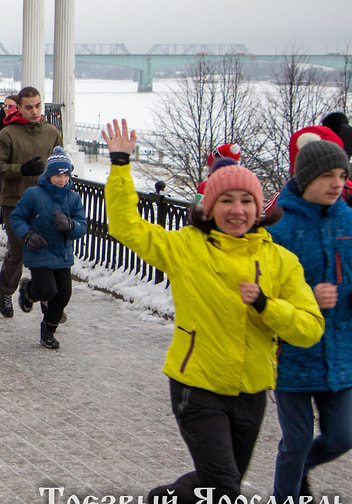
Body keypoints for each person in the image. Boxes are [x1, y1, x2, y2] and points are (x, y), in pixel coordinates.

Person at [101, 119, 324, 502]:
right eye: (226, 201)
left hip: (251, 389)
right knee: (223, 487)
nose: (236, 210)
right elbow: (126, 227)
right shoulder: (186, 248)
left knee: (220, 483)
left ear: (259, 208)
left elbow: (309, 328)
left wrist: (266, 306)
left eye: (246, 201)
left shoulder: (280, 261)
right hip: (197, 383)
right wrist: (121, 164)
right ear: (210, 206)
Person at [266, 140, 352, 498]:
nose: (337, 183)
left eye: (343, 175)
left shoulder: (347, 220)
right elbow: (261, 290)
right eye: (328, 176)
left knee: (342, 437)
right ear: (305, 178)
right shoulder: (278, 226)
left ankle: (300, 470)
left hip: (341, 353)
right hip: (292, 356)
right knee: (297, 440)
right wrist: (306, 298)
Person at [0, 86, 61, 318]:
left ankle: (47, 301)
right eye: (28, 107)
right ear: (19, 108)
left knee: (46, 254)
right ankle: (6, 291)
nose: (34, 111)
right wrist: (22, 169)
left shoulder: (52, 133)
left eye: (38, 105)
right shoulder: (9, 134)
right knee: (18, 251)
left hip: (45, 203)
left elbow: (61, 162)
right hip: (15, 202)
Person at [10, 146, 87, 349]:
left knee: (63, 294)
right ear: (49, 175)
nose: (62, 180)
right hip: (39, 249)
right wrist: (27, 235)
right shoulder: (33, 194)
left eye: (66, 176)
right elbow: (17, 217)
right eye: (57, 176)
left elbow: (82, 226)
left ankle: (48, 329)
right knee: (47, 289)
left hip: (62, 252)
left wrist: (71, 225)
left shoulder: (73, 199)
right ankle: (29, 290)